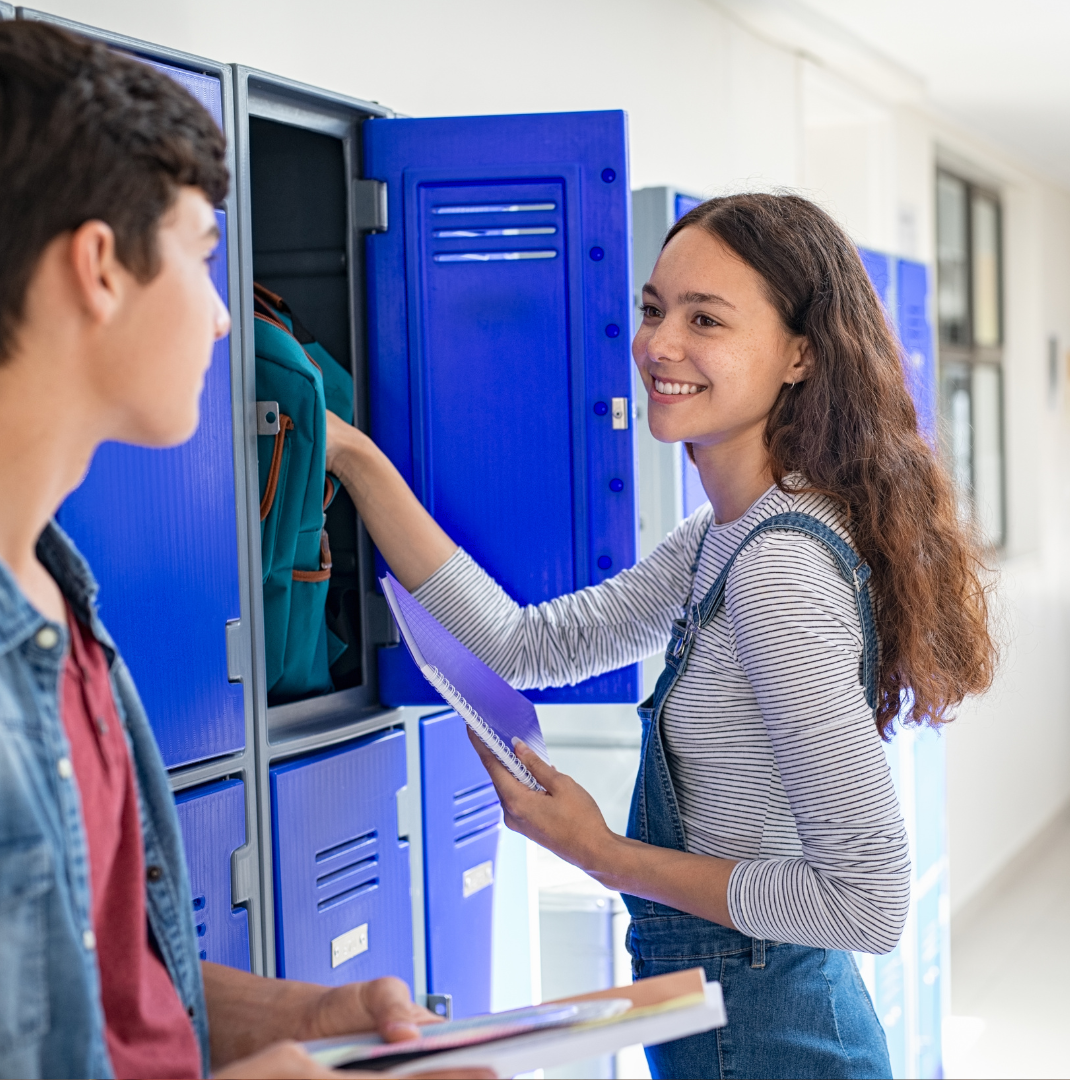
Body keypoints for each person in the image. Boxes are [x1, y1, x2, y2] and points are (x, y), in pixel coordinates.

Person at [326, 192, 997, 1078]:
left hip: (774, 1038)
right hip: (730, 1014)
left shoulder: (776, 572)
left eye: (705, 319)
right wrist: (354, 458)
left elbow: (866, 901)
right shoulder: (724, 536)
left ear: (801, 354)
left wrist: (602, 855)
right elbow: (528, 648)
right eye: (653, 309)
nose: (658, 345)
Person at [0, 21, 492, 1080]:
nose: (226, 320)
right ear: (99, 268)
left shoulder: (58, 603)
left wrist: (310, 1014)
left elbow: (100, 991)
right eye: (206, 255)